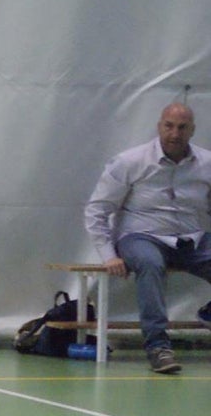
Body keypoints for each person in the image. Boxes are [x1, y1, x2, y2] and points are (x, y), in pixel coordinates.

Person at [84, 102, 211, 374]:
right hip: (141, 237)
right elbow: (98, 209)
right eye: (169, 126)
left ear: (192, 131)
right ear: (159, 126)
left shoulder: (207, 164)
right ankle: (158, 346)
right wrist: (109, 255)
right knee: (151, 264)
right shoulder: (130, 161)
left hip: (192, 238)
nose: (175, 133)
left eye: (182, 127)